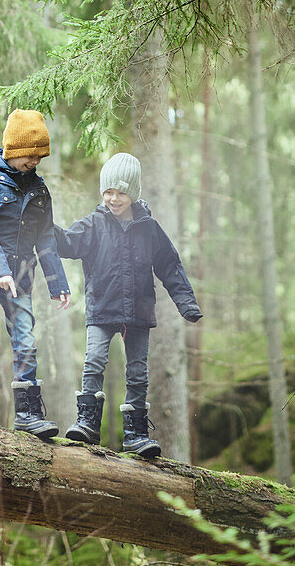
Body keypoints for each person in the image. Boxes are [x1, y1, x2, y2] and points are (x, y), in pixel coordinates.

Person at [55, 151, 202, 458]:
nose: (113, 198)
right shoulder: (94, 224)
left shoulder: (149, 228)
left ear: (132, 194)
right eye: (108, 192)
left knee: (137, 372)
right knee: (93, 360)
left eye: (120, 192)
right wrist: (44, 228)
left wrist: (186, 304)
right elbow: (67, 243)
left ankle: (135, 434)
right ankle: (87, 422)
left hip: (138, 313)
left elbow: (170, 266)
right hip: (102, 308)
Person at [0, 109, 71, 439]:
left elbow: (46, 238)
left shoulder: (39, 190)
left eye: (40, 157)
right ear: (12, 149)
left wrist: (57, 283)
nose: (35, 162)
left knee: (25, 339)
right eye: (30, 155)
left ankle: (27, 412)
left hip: (21, 279)